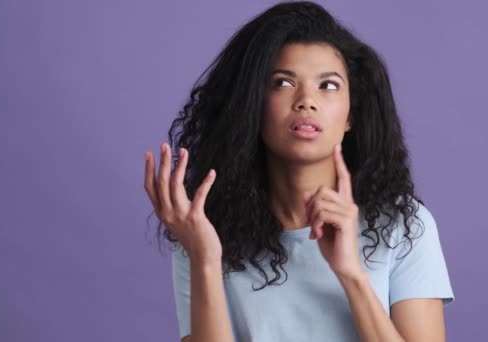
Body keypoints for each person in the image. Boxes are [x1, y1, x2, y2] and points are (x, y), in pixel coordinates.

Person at [144, 1, 455, 341]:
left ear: (352, 115)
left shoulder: (404, 227)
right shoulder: (203, 230)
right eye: (282, 83)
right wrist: (205, 258)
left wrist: (351, 273)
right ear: (253, 106)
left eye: (329, 86)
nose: (307, 101)